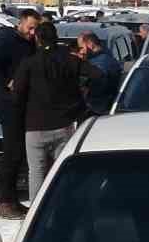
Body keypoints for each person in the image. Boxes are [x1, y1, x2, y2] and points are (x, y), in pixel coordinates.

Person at [11, 21, 91, 198]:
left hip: (35, 126)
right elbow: (98, 75)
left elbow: (17, 95)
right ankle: (62, 207)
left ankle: (37, 211)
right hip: (63, 124)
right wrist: (80, 97)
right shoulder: (69, 60)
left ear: (38, 39)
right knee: (62, 171)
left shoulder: (29, 63)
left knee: (36, 172)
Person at [0, 10, 39, 218]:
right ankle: (5, 202)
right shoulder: (7, 40)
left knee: (18, 154)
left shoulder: (29, 43)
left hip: (22, 104)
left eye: (35, 29)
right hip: (9, 104)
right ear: (20, 23)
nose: (32, 32)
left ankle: (12, 200)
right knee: (11, 154)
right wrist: (4, 85)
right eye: (30, 27)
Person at [75, 31, 121, 115]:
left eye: (81, 47)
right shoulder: (110, 58)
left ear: (90, 44)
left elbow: (88, 88)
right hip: (109, 107)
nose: (80, 52)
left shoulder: (95, 64)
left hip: (96, 109)